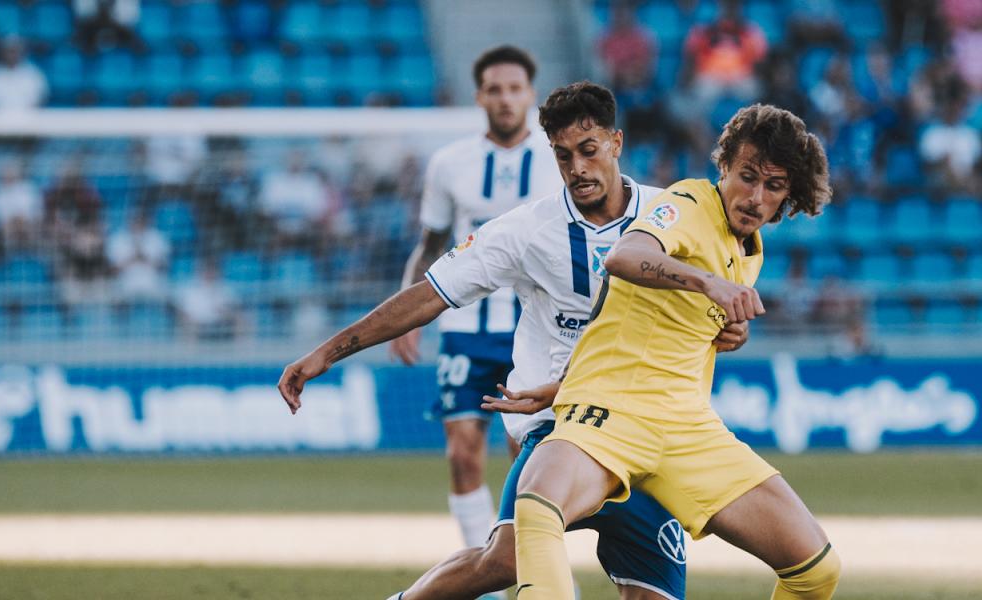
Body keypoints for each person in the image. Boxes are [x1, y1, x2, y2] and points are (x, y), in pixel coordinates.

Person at [277, 82, 747, 600]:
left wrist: (729, 328)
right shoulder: (526, 230)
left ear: (615, 143)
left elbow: (712, 303)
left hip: (646, 428)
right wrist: (327, 352)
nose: (577, 168)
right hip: (558, 424)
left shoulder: (671, 213)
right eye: (563, 156)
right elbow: (429, 295)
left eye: (588, 151)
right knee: (507, 557)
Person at [503, 104, 839, 599]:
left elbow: (655, 327)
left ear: (789, 196)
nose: (754, 196)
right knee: (537, 506)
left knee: (815, 568)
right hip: (613, 412)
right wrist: (709, 285)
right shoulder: (688, 202)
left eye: (773, 186)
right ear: (724, 166)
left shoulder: (750, 250)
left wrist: (726, 329)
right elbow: (625, 256)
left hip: (686, 427)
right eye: (746, 176)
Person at [387, 45, 564, 561]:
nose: (506, 99)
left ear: (531, 95)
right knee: (463, 453)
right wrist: (407, 315)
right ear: (479, 96)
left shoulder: (558, 161)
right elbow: (430, 243)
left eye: (515, 89)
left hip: (534, 333)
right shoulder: (449, 164)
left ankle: (539, 568)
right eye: (495, 89)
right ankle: (483, 573)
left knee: (525, 459)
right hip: (465, 326)